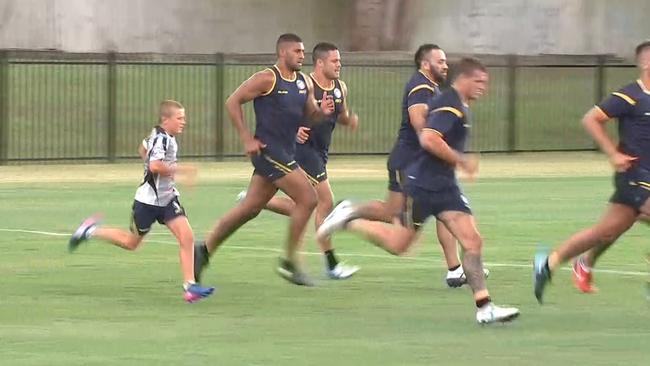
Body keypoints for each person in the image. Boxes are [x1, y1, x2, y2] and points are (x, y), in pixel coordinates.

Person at [317, 58, 520, 324]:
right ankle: (350, 222)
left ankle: (484, 307)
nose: (484, 87)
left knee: (463, 242)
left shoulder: (454, 102)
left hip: (441, 185)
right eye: (479, 81)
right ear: (464, 79)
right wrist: (460, 160)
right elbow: (429, 138)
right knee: (409, 244)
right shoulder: (451, 104)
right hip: (425, 185)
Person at [193, 34, 335, 286]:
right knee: (309, 198)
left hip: (286, 153)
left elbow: (309, 115)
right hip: (268, 152)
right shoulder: (268, 78)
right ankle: (290, 261)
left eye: (303, 52)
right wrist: (247, 138)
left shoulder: (304, 82)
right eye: (297, 51)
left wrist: (320, 113)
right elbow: (232, 102)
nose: (302, 56)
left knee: (249, 209)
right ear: (282, 53)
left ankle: (204, 249)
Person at [534, 40, 650, 302]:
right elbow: (591, 119)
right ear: (646, 62)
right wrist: (613, 154)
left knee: (605, 232)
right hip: (634, 177)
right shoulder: (630, 95)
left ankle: (549, 264)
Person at [68, 100, 215, 303]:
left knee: (187, 236)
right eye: (180, 118)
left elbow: (143, 148)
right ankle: (90, 230)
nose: (184, 122)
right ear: (166, 119)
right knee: (131, 243)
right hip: (146, 203)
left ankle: (190, 287)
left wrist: (159, 174)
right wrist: (181, 170)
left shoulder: (159, 135)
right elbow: (155, 166)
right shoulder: (162, 139)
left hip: (167, 199)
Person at [240, 42, 360, 279]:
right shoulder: (305, 84)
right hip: (302, 150)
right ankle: (331, 264)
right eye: (334, 61)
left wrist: (350, 120)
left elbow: (341, 115)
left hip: (321, 152)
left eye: (340, 61)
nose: (339, 65)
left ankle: (258, 201)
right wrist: (295, 131)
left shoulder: (340, 88)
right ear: (320, 63)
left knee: (303, 204)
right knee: (325, 200)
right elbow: (288, 114)